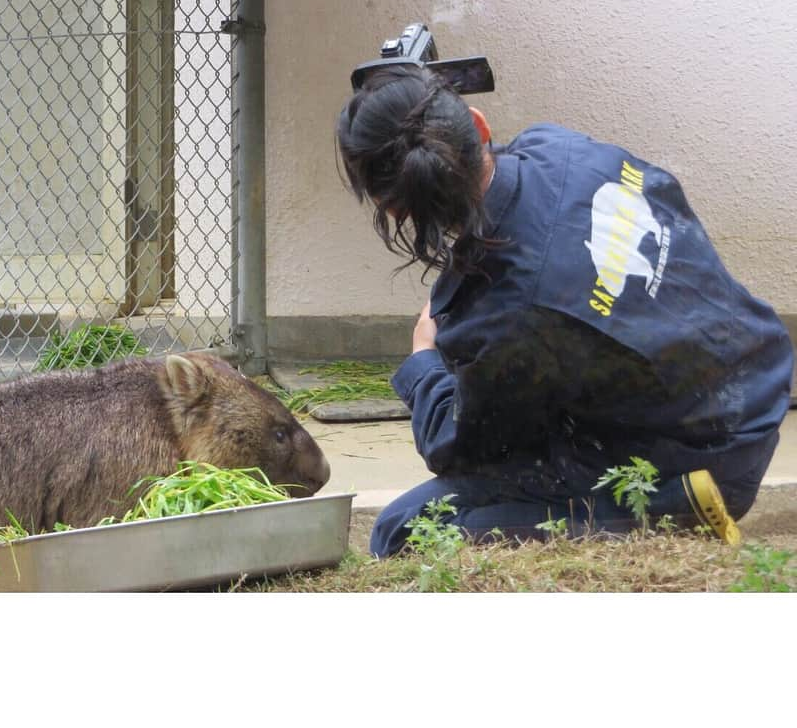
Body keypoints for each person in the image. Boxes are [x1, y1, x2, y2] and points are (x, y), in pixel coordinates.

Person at [336, 63, 794, 556]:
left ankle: (670, 503)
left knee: (405, 529)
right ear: (481, 125)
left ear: (393, 208)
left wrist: (423, 355)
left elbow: (457, 445)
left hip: (706, 456)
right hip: (752, 379)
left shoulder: (506, 314)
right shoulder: (560, 147)